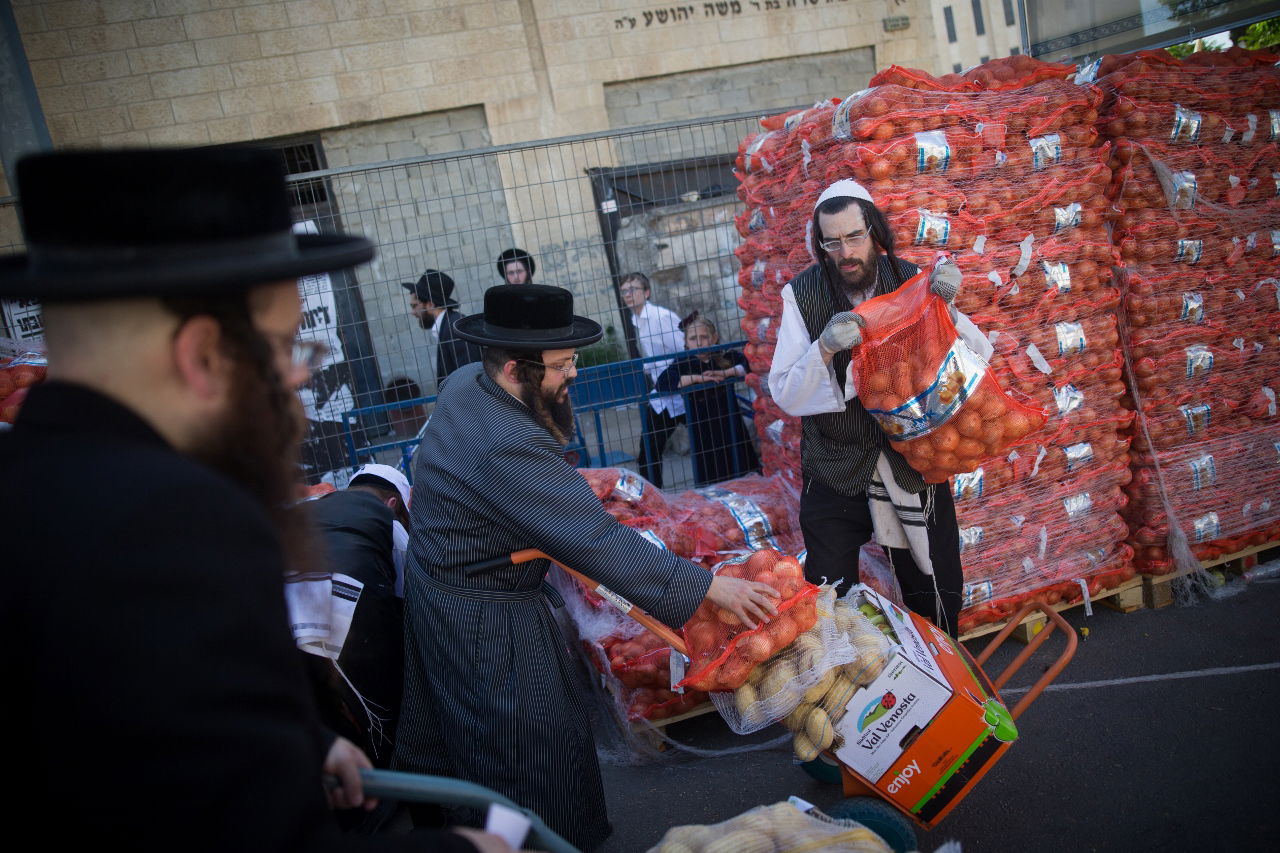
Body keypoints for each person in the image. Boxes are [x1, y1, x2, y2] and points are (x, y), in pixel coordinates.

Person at [0, 147, 506, 853]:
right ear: (203, 356)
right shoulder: (175, 530)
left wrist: (302, 740)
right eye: (285, 345)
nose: (300, 373)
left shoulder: (34, 483)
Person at [393, 283, 780, 851]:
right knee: (526, 749)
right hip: (483, 618)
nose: (573, 373)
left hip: (455, 592)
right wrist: (706, 586)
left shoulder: (465, 383)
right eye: (561, 365)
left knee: (486, 740)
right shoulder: (504, 443)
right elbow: (594, 540)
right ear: (512, 370)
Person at [768, 179, 981, 636]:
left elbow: (972, 362)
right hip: (835, 460)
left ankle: (945, 674)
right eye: (832, 241)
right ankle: (851, 688)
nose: (845, 252)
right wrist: (823, 349)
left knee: (935, 584)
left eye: (854, 237)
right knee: (829, 596)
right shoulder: (801, 296)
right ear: (819, 244)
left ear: (875, 231)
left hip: (912, 459)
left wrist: (949, 312)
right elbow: (785, 390)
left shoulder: (911, 281)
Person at [297, 463, 413, 768]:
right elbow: (406, 600)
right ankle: (390, 785)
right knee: (382, 707)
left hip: (287, 606)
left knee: (320, 704)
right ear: (393, 503)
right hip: (349, 607)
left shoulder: (314, 505)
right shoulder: (389, 522)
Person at [655, 310, 760, 486]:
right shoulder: (684, 362)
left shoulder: (724, 355)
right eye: (693, 339)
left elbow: (748, 363)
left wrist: (727, 373)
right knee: (711, 473)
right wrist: (698, 379)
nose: (699, 343)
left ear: (714, 338)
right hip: (702, 428)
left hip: (730, 422)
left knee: (740, 467)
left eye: (704, 337)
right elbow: (663, 382)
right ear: (686, 343)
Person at [621, 271, 686, 487]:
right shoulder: (636, 320)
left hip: (683, 390)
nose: (628, 294)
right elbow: (654, 358)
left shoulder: (661, 317)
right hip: (663, 396)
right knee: (648, 451)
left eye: (633, 289)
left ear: (646, 292)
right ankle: (653, 499)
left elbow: (682, 351)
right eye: (624, 291)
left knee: (710, 440)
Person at [403, 269, 482, 384]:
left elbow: (471, 378)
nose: (413, 312)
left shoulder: (455, 328)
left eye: (414, 306)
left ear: (430, 304)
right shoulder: (448, 325)